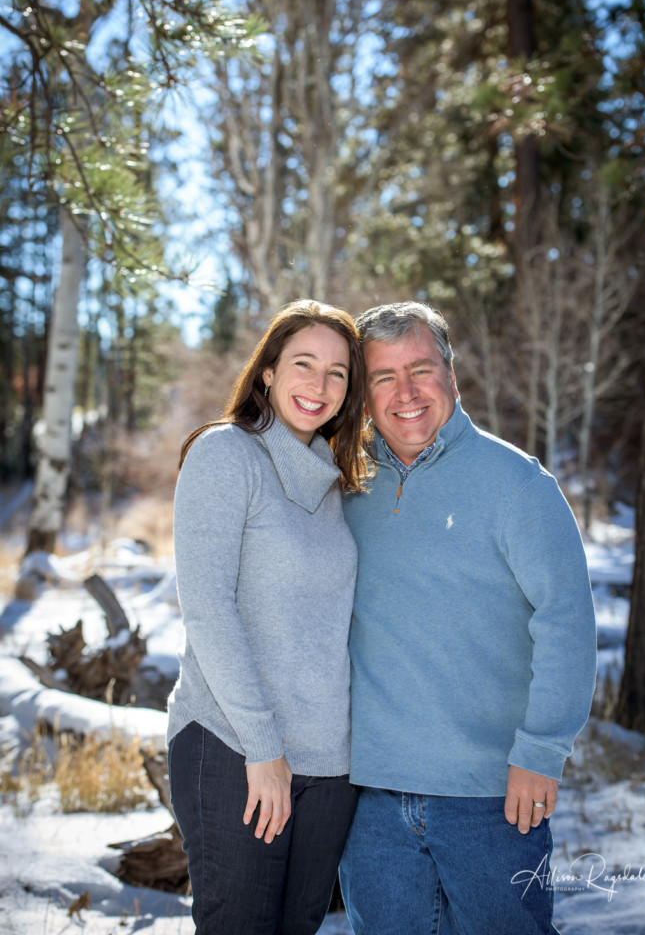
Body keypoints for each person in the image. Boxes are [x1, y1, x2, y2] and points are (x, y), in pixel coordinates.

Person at [339, 301, 597, 935]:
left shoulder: (517, 484)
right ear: (364, 396)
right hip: (369, 801)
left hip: (492, 797)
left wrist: (542, 751)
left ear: (452, 375)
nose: (406, 393)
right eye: (383, 377)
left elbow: (566, 621)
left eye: (421, 369)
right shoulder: (345, 485)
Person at [167, 299, 371, 935]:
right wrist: (263, 747)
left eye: (337, 372)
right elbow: (207, 609)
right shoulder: (226, 455)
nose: (319, 385)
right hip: (235, 747)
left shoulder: (339, 482)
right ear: (267, 373)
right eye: (303, 364)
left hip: (328, 765)